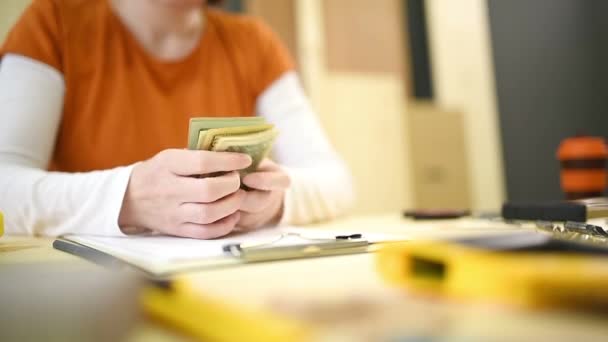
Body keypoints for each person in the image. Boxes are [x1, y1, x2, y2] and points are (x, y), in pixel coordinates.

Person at [0, 0, 353, 239]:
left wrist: (274, 200)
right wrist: (129, 199)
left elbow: (336, 181)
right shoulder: (54, 22)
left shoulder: (253, 42)